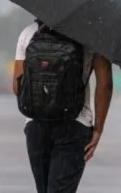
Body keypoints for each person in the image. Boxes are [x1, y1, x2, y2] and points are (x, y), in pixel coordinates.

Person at [12, 20, 113, 193]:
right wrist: (98, 130)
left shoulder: (28, 33)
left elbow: (17, 86)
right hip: (75, 123)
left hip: (36, 124)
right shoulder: (92, 36)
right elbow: (104, 85)